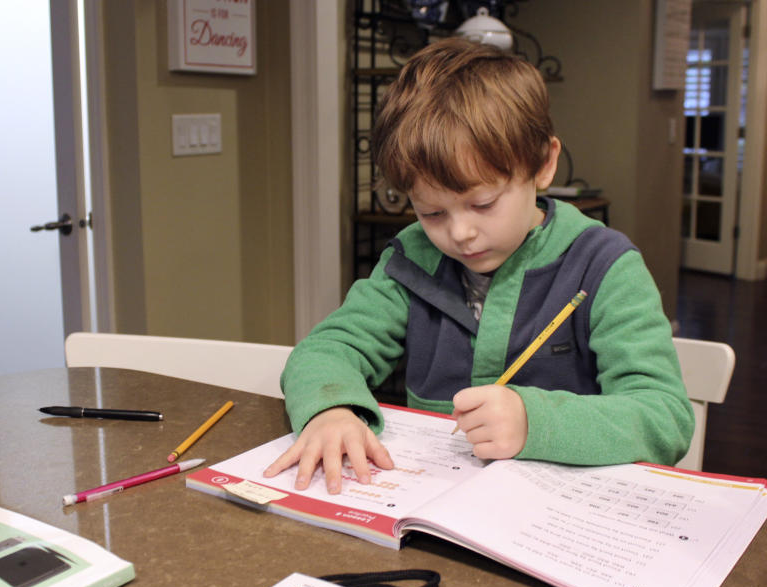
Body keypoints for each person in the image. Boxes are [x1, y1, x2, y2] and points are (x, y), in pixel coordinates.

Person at [264, 38, 693, 495]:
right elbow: (326, 350)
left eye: (483, 203)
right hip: (432, 508)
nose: (460, 233)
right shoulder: (412, 261)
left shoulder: (605, 267)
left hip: (566, 517)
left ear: (544, 164)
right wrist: (330, 409)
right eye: (431, 213)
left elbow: (664, 418)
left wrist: (535, 422)